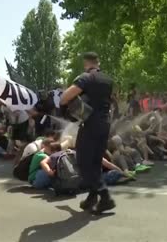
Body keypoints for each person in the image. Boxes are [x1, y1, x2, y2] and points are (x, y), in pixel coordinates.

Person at [60, 52, 115, 214]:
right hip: (105, 123)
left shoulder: (85, 77)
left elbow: (64, 98)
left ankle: (105, 196)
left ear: (86, 63)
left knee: (83, 161)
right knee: (96, 162)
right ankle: (92, 197)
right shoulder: (108, 79)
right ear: (98, 62)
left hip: (90, 123)